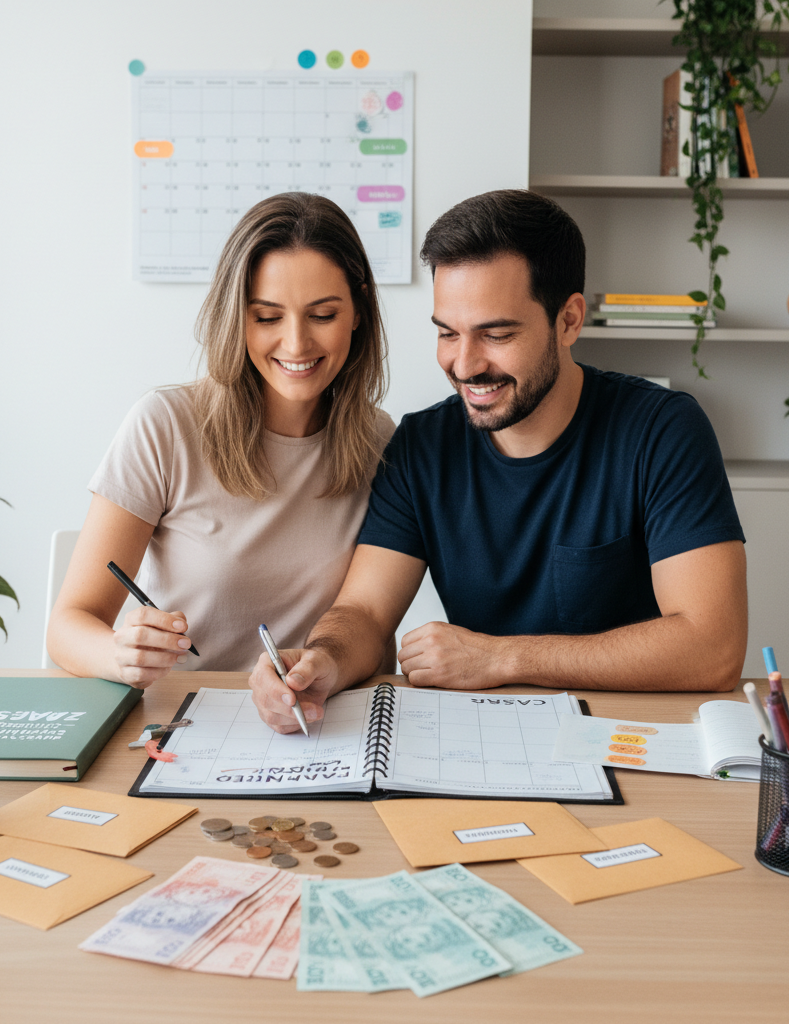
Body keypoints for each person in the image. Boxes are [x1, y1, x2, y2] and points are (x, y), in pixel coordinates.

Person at [249, 189, 748, 732]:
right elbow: (365, 612)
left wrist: (501, 657)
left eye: (497, 334)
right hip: (484, 740)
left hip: (628, 739)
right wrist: (324, 659)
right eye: (447, 332)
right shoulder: (422, 446)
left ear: (569, 320)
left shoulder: (662, 430)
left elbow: (713, 647)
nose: (465, 364)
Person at [47, 193, 394, 687]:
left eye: (322, 315)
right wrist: (119, 655)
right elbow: (68, 626)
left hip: (325, 720)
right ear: (237, 316)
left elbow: (373, 620)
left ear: (358, 312)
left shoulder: (380, 442)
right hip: (191, 720)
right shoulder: (165, 426)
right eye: (267, 317)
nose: (296, 344)